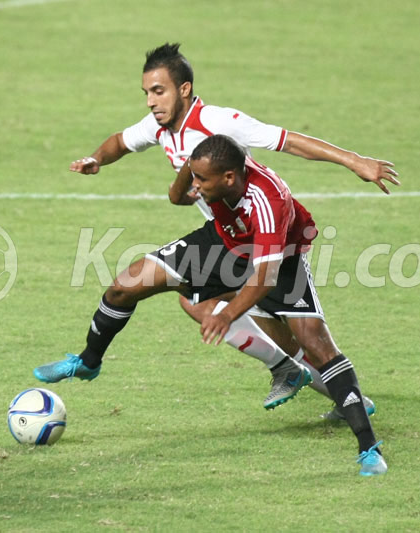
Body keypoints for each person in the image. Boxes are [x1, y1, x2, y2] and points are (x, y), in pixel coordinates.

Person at [63, 43, 399, 412]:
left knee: (300, 337)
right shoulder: (158, 126)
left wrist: (354, 161)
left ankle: (343, 398)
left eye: (158, 91)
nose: (150, 101)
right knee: (186, 300)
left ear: (184, 89)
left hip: (264, 235)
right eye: (146, 93)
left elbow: (288, 141)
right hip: (224, 235)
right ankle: (303, 378)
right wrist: (97, 158)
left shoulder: (220, 122)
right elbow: (119, 142)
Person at [35, 135, 387, 476]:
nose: (197, 185)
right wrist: (186, 176)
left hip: (282, 259)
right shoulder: (209, 167)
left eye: (202, 179)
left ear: (229, 178)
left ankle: (369, 448)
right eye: (195, 175)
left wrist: (228, 314)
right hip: (224, 240)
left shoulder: (267, 201)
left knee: (315, 343)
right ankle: (88, 362)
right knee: (123, 288)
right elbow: (178, 197)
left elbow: (265, 276)